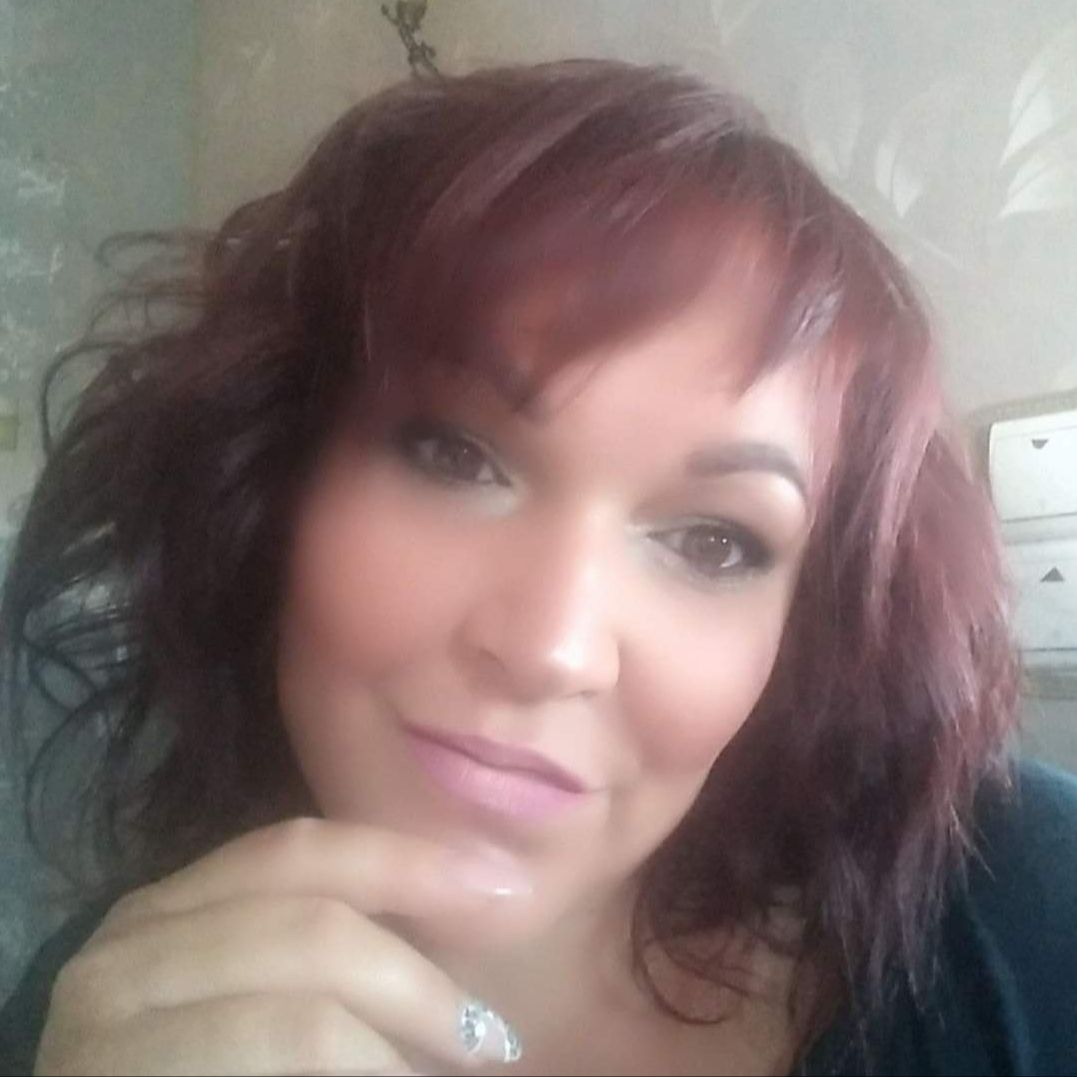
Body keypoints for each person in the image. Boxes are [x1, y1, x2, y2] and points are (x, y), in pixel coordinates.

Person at [0, 58, 1074, 1077]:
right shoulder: (105, 1019)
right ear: (273, 477)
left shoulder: (1028, 899)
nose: (549, 648)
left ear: (805, 632)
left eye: (713, 541)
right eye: (454, 455)